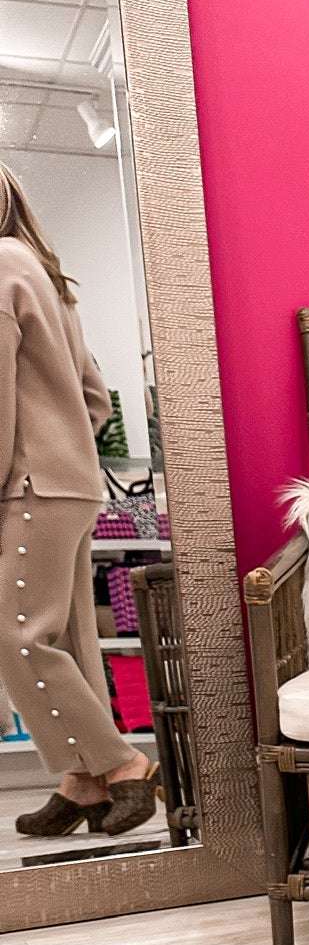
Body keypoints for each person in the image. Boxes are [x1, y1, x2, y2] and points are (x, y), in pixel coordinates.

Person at [0, 164, 158, 841]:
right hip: (68, 483)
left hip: (29, 485)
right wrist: (66, 447)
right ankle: (82, 779)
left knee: (17, 634)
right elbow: (95, 398)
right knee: (67, 638)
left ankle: (122, 765)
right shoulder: (42, 271)